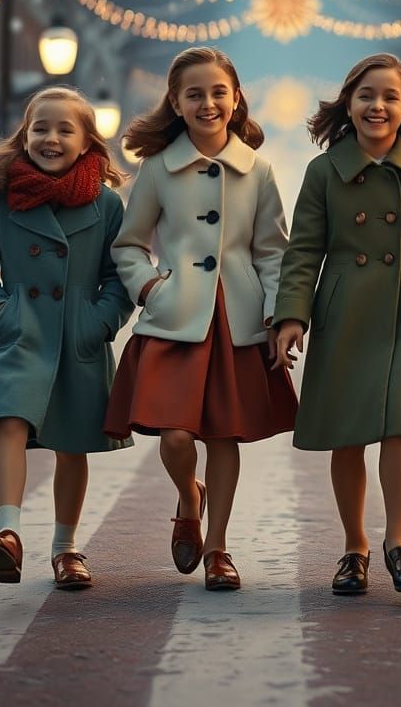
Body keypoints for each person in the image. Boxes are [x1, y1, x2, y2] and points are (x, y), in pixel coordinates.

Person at [274, 53, 401, 597]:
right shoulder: (323, 172)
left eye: (389, 97)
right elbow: (303, 250)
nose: (376, 106)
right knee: (349, 431)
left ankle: (398, 540)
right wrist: (291, 316)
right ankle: (354, 547)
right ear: (348, 105)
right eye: (365, 95)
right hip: (345, 312)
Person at [105, 47, 297, 592]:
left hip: (236, 319)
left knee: (224, 435)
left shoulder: (258, 171)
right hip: (175, 317)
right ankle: (190, 496)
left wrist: (275, 312)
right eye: (195, 94)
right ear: (176, 102)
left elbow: (272, 252)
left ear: (236, 99)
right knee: (174, 435)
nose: (208, 103)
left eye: (218, 92)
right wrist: (150, 287)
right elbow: (129, 245)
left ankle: (218, 548)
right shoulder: (157, 168)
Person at [0, 86, 133, 590]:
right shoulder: (1, 198)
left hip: (78, 335)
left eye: (64, 130)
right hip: (21, 332)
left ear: (87, 142)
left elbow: (119, 277)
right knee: (8, 420)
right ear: (24, 136)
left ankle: (66, 548)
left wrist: (100, 322)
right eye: (40, 128)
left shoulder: (106, 204)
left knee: (71, 444)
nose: (50, 138)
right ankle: (8, 533)